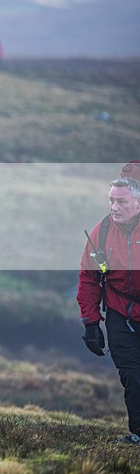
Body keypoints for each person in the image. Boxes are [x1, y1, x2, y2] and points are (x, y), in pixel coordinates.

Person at [78, 161, 140, 445]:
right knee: (132, 376)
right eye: (111, 200)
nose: (114, 207)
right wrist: (91, 323)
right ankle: (139, 435)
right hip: (119, 313)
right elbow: (89, 279)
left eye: (122, 201)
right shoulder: (101, 232)